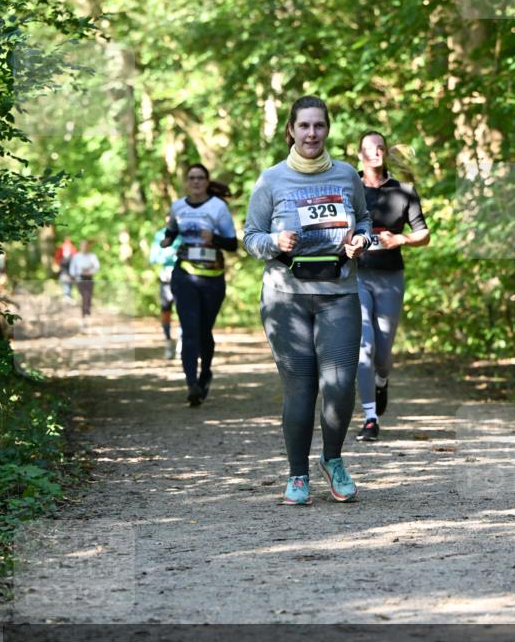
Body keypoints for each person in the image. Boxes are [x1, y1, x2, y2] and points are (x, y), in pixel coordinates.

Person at [243, 95, 371, 506]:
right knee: (300, 388)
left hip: (339, 293)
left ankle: (332, 460)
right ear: (291, 131)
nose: (312, 133)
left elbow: (365, 220)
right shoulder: (271, 180)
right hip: (286, 298)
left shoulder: (348, 175)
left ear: (327, 129)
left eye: (319, 126)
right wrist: (274, 241)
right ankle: (297, 475)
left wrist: (361, 240)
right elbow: (250, 237)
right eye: (304, 126)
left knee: (338, 386)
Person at [355, 131, 429, 442]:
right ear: (359, 155)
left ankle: (382, 381)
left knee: (383, 353)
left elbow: (424, 235)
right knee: (364, 348)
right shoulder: (348, 188)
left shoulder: (404, 192)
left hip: (390, 278)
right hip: (355, 276)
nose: (375, 153)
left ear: (385, 153)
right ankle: (370, 418)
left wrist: (400, 238)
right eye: (368, 149)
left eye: (380, 148)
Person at [161, 164, 237, 407]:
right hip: (184, 275)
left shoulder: (217, 207)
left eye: (200, 178)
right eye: (191, 178)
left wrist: (212, 238)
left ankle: (205, 374)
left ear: (207, 181)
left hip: (212, 278)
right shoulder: (178, 206)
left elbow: (233, 244)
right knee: (189, 328)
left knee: (204, 330)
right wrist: (168, 239)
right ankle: (191, 383)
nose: (196, 182)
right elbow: (171, 229)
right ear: (186, 181)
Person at [149, 220, 181, 360]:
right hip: (166, 277)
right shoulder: (160, 235)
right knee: (166, 309)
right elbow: (153, 258)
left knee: (184, 311)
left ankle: (182, 343)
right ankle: (168, 341)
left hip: (183, 277)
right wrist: (167, 255)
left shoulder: (184, 234)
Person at [69, 239, 100, 319]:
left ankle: (87, 312)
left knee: (88, 295)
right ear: (80, 246)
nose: (84, 247)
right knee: (84, 295)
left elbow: (97, 267)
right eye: (83, 246)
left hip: (89, 278)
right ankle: (84, 313)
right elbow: (72, 269)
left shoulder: (92, 256)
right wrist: (77, 274)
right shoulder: (76, 256)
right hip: (79, 278)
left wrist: (90, 271)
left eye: (86, 246)